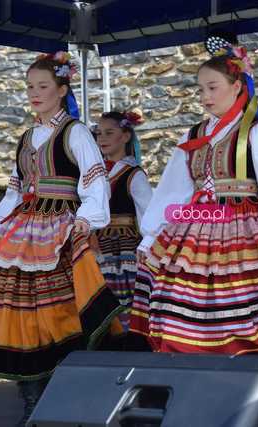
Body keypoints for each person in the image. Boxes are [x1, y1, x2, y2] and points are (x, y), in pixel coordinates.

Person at [129, 35, 258, 367]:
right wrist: (151, 235)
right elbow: (173, 190)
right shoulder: (192, 135)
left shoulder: (254, 131)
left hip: (242, 229)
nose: (205, 96)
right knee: (178, 306)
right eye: (200, 89)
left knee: (237, 308)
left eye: (212, 87)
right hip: (192, 230)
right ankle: (192, 381)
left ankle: (240, 379)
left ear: (236, 86)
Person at [0, 51, 122, 426]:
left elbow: (95, 180)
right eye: (31, 86)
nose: (35, 93)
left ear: (62, 89)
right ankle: (32, 404)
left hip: (58, 229)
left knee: (59, 314)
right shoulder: (27, 136)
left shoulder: (75, 132)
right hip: (22, 231)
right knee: (18, 315)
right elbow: (15, 191)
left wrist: (86, 219)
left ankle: (61, 402)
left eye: (43, 86)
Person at [92, 111, 153, 337]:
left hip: (123, 252)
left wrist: (147, 245)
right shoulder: (97, 175)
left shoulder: (132, 175)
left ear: (125, 136)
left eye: (109, 133)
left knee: (124, 305)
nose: (102, 139)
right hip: (99, 249)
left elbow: (149, 213)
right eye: (99, 134)